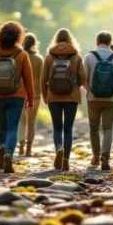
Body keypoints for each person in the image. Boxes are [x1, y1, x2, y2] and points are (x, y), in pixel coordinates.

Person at [0, 21, 35, 173]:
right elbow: (28, 80)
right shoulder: (22, 55)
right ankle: (9, 154)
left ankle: (2, 147)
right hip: (16, 96)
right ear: (19, 36)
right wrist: (30, 100)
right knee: (12, 128)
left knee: (2, 126)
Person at [41, 28, 86, 171]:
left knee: (57, 127)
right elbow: (83, 77)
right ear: (70, 39)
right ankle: (65, 160)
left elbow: (43, 79)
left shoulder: (49, 57)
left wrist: (45, 95)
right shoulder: (76, 57)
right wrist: (74, 86)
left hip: (53, 97)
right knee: (68, 129)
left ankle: (58, 148)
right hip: (71, 98)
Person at [84, 31, 113, 170]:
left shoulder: (89, 56)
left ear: (97, 41)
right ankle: (105, 157)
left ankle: (95, 155)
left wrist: (89, 90)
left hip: (93, 98)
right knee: (108, 128)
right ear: (110, 42)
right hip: (111, 99)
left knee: (94, 127)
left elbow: (83, 78)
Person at [18, 33, 44, 156]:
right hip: (35, 94)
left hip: (19, 92)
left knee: (21, 121)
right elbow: (41, 79)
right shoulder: (38, 59)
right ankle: (29, 148)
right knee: (31, 122)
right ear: (34, 44)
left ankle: (21, 146)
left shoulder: (18, 56)